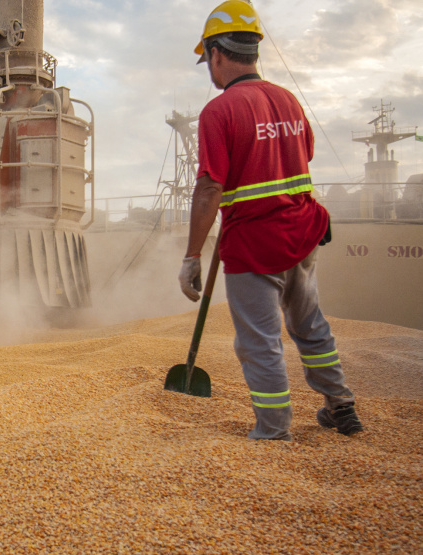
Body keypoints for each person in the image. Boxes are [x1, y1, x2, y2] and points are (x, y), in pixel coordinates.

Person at [179, 0, 363, 441]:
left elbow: (209, 188)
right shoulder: (289, 101)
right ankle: (341, 405)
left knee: (259, 341)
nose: (209, 67)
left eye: (208, 59)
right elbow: (302, 156)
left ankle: (273, 429)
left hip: (253, 244)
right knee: (309, 325)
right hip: (302, 235)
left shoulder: (218, 112)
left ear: (218, 54)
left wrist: (191, 255)